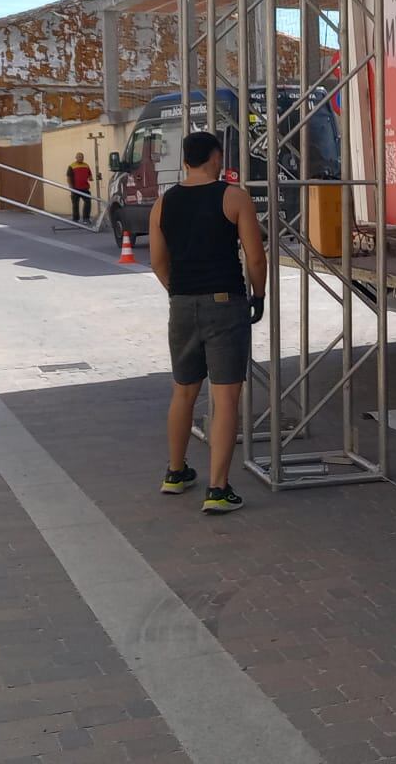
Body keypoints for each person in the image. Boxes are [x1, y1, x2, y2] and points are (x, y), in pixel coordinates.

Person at [150, 130, 267, 515]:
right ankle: (217, 490)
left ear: (185, 160)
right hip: (224, 304)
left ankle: (175, 471)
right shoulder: (233, 197)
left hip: (181, 305)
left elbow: (157, 261)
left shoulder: (163, 203)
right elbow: (255, 257)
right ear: (216, 157)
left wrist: (178, 291)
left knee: (183, 390)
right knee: (225, 396)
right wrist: (258, 295)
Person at [66, 152, 94, 223]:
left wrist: (91, 178)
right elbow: (69, 177)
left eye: (81, 157)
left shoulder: (86, 165)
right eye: (79, 157)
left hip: (85, 188)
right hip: (75, 188)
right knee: (75, 204)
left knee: (88, 202)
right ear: (76, 158)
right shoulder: (72, 166)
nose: (80, 158)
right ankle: (75, 219)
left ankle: (86, 218)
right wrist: (71, 187)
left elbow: (89, 174)